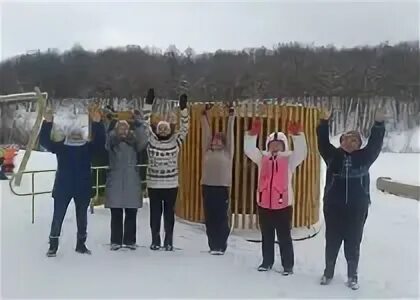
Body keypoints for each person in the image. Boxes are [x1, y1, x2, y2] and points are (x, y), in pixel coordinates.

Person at [317, 107, 385, 290]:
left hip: (357, 208)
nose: (351, 142)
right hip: (333, 207)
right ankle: (328, 272)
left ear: (359, 144)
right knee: (332, 241)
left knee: (353, 243)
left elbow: (375, 144)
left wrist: (378, 125)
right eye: (347, 139)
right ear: (341, 142)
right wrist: (323, 123)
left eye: (355, 140)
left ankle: (352, 275)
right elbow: (322, 143)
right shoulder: (333, 156)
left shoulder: (365, 158)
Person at [244, 119, 307, 275]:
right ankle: (267, 261)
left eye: (279, 144)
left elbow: (302, 153)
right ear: (268, 145)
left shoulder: (289, 160)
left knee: (284, 237)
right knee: (267, 236)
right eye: (273, 144)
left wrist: (297, 136)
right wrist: (252, 135)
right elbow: (249, 150)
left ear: (284, 146)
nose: (276, 147)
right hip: (264, 205)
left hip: (283, 206)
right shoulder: (262, 158)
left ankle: (288, 265)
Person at [40, 107, 105, 257]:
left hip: (82, 187)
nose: (76, 134)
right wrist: (47, 123)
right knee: (58, 217)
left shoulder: (88, 147)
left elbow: (100, 143)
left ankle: (81, 244)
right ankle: (53, 245)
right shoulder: (61, 146)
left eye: (78, 131)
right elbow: (44, 141)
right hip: (63, 187)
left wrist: (97, 123)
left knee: (82, 218)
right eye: (73, 131)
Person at [142, 88, 190, 251]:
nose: (163, 130)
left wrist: (183, 109)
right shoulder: (151, 141)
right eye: (160, 128)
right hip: (154, 185)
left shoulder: (175, 142)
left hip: (171, 185)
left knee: (169, 214)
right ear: (157, 130)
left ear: (170, 130)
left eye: (166, 128)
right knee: (155, 214)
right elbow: (144, 122)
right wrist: (148, 104)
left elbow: (184, 128)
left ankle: (168, 240)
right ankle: (155, 240)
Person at [104, 112, 148, 251]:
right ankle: (115, 240)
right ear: (116, 130)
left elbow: (143, 141)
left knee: (131, 213)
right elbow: (104, 139)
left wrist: (139, 124)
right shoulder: (111, 142)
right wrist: (108, 122)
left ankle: (130, 240)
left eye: (125, 127)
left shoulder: (134, 142)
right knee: (116, 213)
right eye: (120, 128)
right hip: (115, 179)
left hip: (131, 179)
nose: (123, 130)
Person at [200, 103, 235, 255]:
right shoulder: (207, 150)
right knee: (210, 217)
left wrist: (231, 116)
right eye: (214, 139)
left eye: (219, 139)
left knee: (221, 217)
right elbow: (206, 132)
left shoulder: (228, 152)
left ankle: (221, 244)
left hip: (222, 187)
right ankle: (213, 245)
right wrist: (205, 114)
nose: (215, 141)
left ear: (223, 142)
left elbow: (230, 133)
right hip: (207, 186)